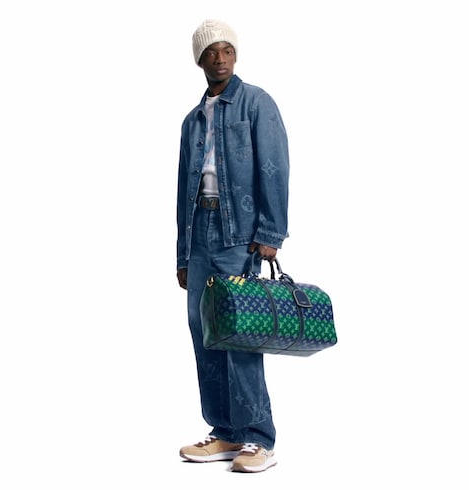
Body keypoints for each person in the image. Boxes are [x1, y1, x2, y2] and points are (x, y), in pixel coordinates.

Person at [176, 19, 290, 473]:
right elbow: (181, 190)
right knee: (204, 332)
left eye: (226, 50)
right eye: (210, 52)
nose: (219, 58)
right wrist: (183, 252)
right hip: (199, 234)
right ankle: (224, 431)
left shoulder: (256, 103)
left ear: (235, 55)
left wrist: (270, 233)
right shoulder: (191, 120)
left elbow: (275, 166)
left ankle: (258, 438)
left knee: (240, 333)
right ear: (199, 60)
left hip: (238, 234)